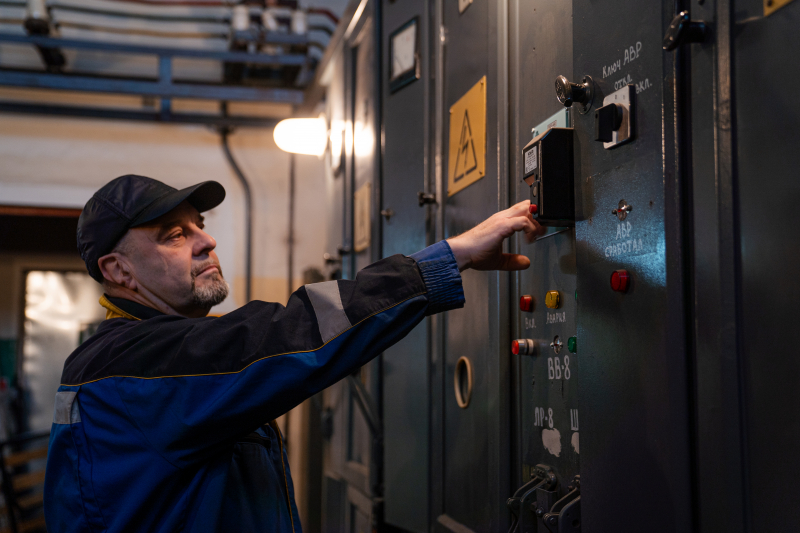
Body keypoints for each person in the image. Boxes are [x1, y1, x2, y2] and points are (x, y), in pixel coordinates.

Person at [44, 174, 544, 532]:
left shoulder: (145, 353)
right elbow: (296, 331)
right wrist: (450, 256)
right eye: (174, 235)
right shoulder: (130, 364)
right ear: (119, 271)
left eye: (199, 225)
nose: (207, 240)